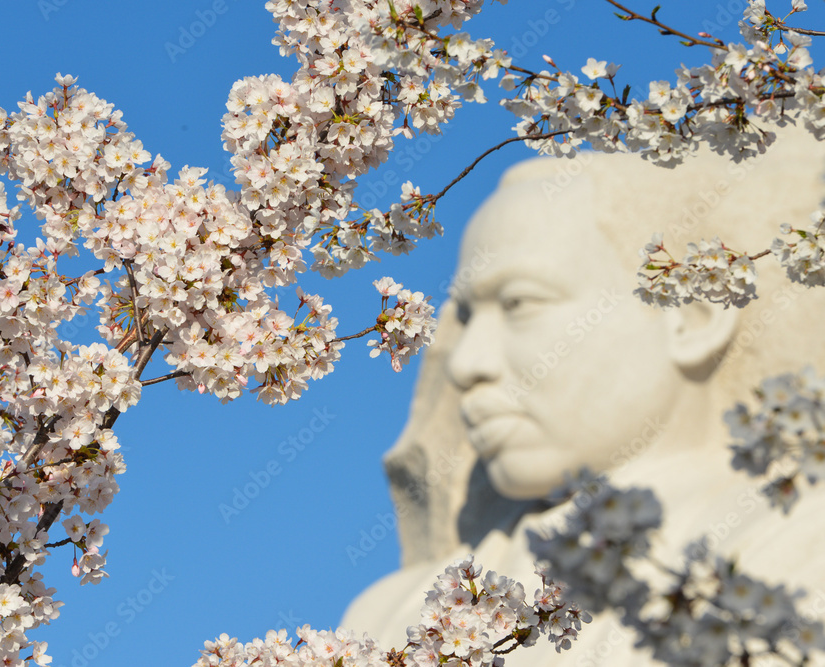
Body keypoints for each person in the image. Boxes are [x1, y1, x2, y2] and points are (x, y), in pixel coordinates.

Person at [341, 129, 825, 665]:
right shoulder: (387, 619)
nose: (465, 363)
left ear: (691, 316)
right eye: (466, 319)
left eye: (520, 301)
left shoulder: (797, 547)